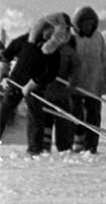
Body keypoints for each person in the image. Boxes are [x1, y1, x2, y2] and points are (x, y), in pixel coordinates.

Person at [6, 13, 78, 155]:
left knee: (62, 120)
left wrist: (72, 82)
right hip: (43, 87)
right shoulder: (36, 43)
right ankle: (41, 147)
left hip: (60, 89)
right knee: (42, 119)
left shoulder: (70, 46)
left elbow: (75, 67)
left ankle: (64, 148)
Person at [68, 6, 106, 153]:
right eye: (86, 24)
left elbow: (105, 58)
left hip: (94, 83)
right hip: (75, 84)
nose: (89, 27)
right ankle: (77, 143)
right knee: (76, 115)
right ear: (78, 24)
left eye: (91, 24)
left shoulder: (98, 37)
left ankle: (91, 147)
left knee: (94, 116)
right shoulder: (70, 38)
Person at [0, 29, 31, 140]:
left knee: (6, 108)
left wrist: (3, 75)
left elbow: (5, 61)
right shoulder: (19, 43)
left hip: (13, 81)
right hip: (13, 81)